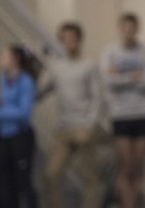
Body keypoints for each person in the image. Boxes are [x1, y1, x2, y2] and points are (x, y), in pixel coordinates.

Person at [40, 22, 104, 208]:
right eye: (64, 38)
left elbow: (97, 98)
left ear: (79, 40)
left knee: (89, 177)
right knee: (52, 174)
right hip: (63, 129)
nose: (68, 42)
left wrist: (89, 126)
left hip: (83, 128)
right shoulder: (56, 66)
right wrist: (46, 65)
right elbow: (41, 91)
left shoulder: (89, 65)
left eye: (71, 38)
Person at [101, 13, 145, 208]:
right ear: (120, 29)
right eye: (125, 28)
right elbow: (108, 80)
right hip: (120, 115)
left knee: (138, 165)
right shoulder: (110, 52)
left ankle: (136, 202)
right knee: (126, 165)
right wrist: (133, 76)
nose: (128, 32)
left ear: (136, 29)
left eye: (132, 28)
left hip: (143, 113)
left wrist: (120, 75)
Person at [0, 44, 38, 208]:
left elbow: (24, 113)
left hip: (21, 137)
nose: (0, 58)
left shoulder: (26, 81)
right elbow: (8, 107)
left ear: (15, 59)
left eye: (3, 55)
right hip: (4, 137)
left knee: (22, 183)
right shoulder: (3, 78)